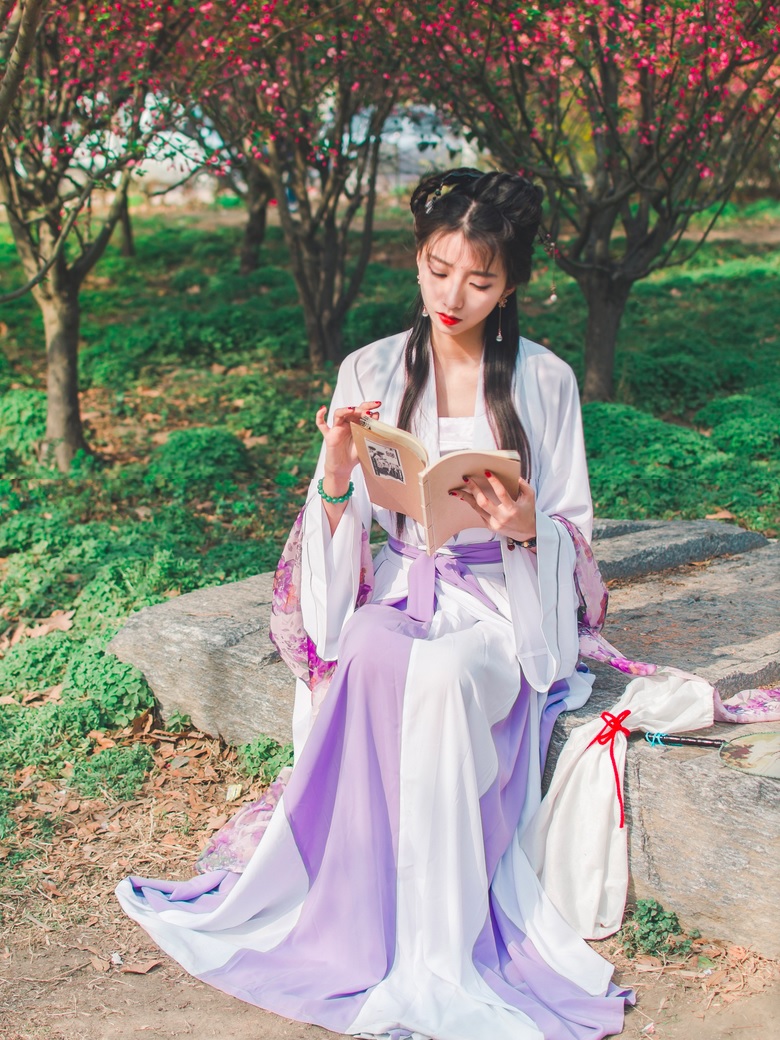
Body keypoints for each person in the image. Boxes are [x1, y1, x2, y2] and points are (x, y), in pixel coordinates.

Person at [116, 169, 632, 1040]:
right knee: (368, 651)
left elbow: (572, 532)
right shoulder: (370, 369)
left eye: (479, 279)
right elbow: (338, 525)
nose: (452, 295)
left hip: (499, 606)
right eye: (437, 270)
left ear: (511, 283)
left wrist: (524, 527)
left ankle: (434, 931)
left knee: (440, 674)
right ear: (416, 259)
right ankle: (357, 906)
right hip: (401, 579)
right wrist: (334, 472)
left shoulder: (544, 381)